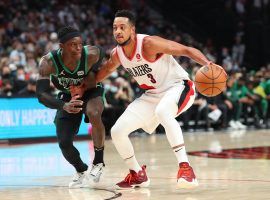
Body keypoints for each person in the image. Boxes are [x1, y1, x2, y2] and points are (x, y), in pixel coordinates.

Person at [95, 10, 217, 189]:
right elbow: (103, 73)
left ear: (132, 30)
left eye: (122, 27)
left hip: (178, 86)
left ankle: (186, 168)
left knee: (163, 112)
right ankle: (137, 173)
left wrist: (208, 64)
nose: (118, 31)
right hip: (152, 95)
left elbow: (185, 50)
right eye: (115, 28)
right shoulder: (117, 54)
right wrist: (81, 86)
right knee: (117, 131)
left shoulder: (149, 43)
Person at [36, 26, 106, 188]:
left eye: (80, 44)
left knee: (94, 112)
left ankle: (99, 161)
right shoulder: (48, 62)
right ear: (61, 47)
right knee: (64, 142)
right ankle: (81, 169)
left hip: (91, 91)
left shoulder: (91, 54)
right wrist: (64, 105)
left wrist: (90, 77)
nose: (78, 48)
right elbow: (41, 94)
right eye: (73, 45)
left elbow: (103, 55)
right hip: (67, 97)